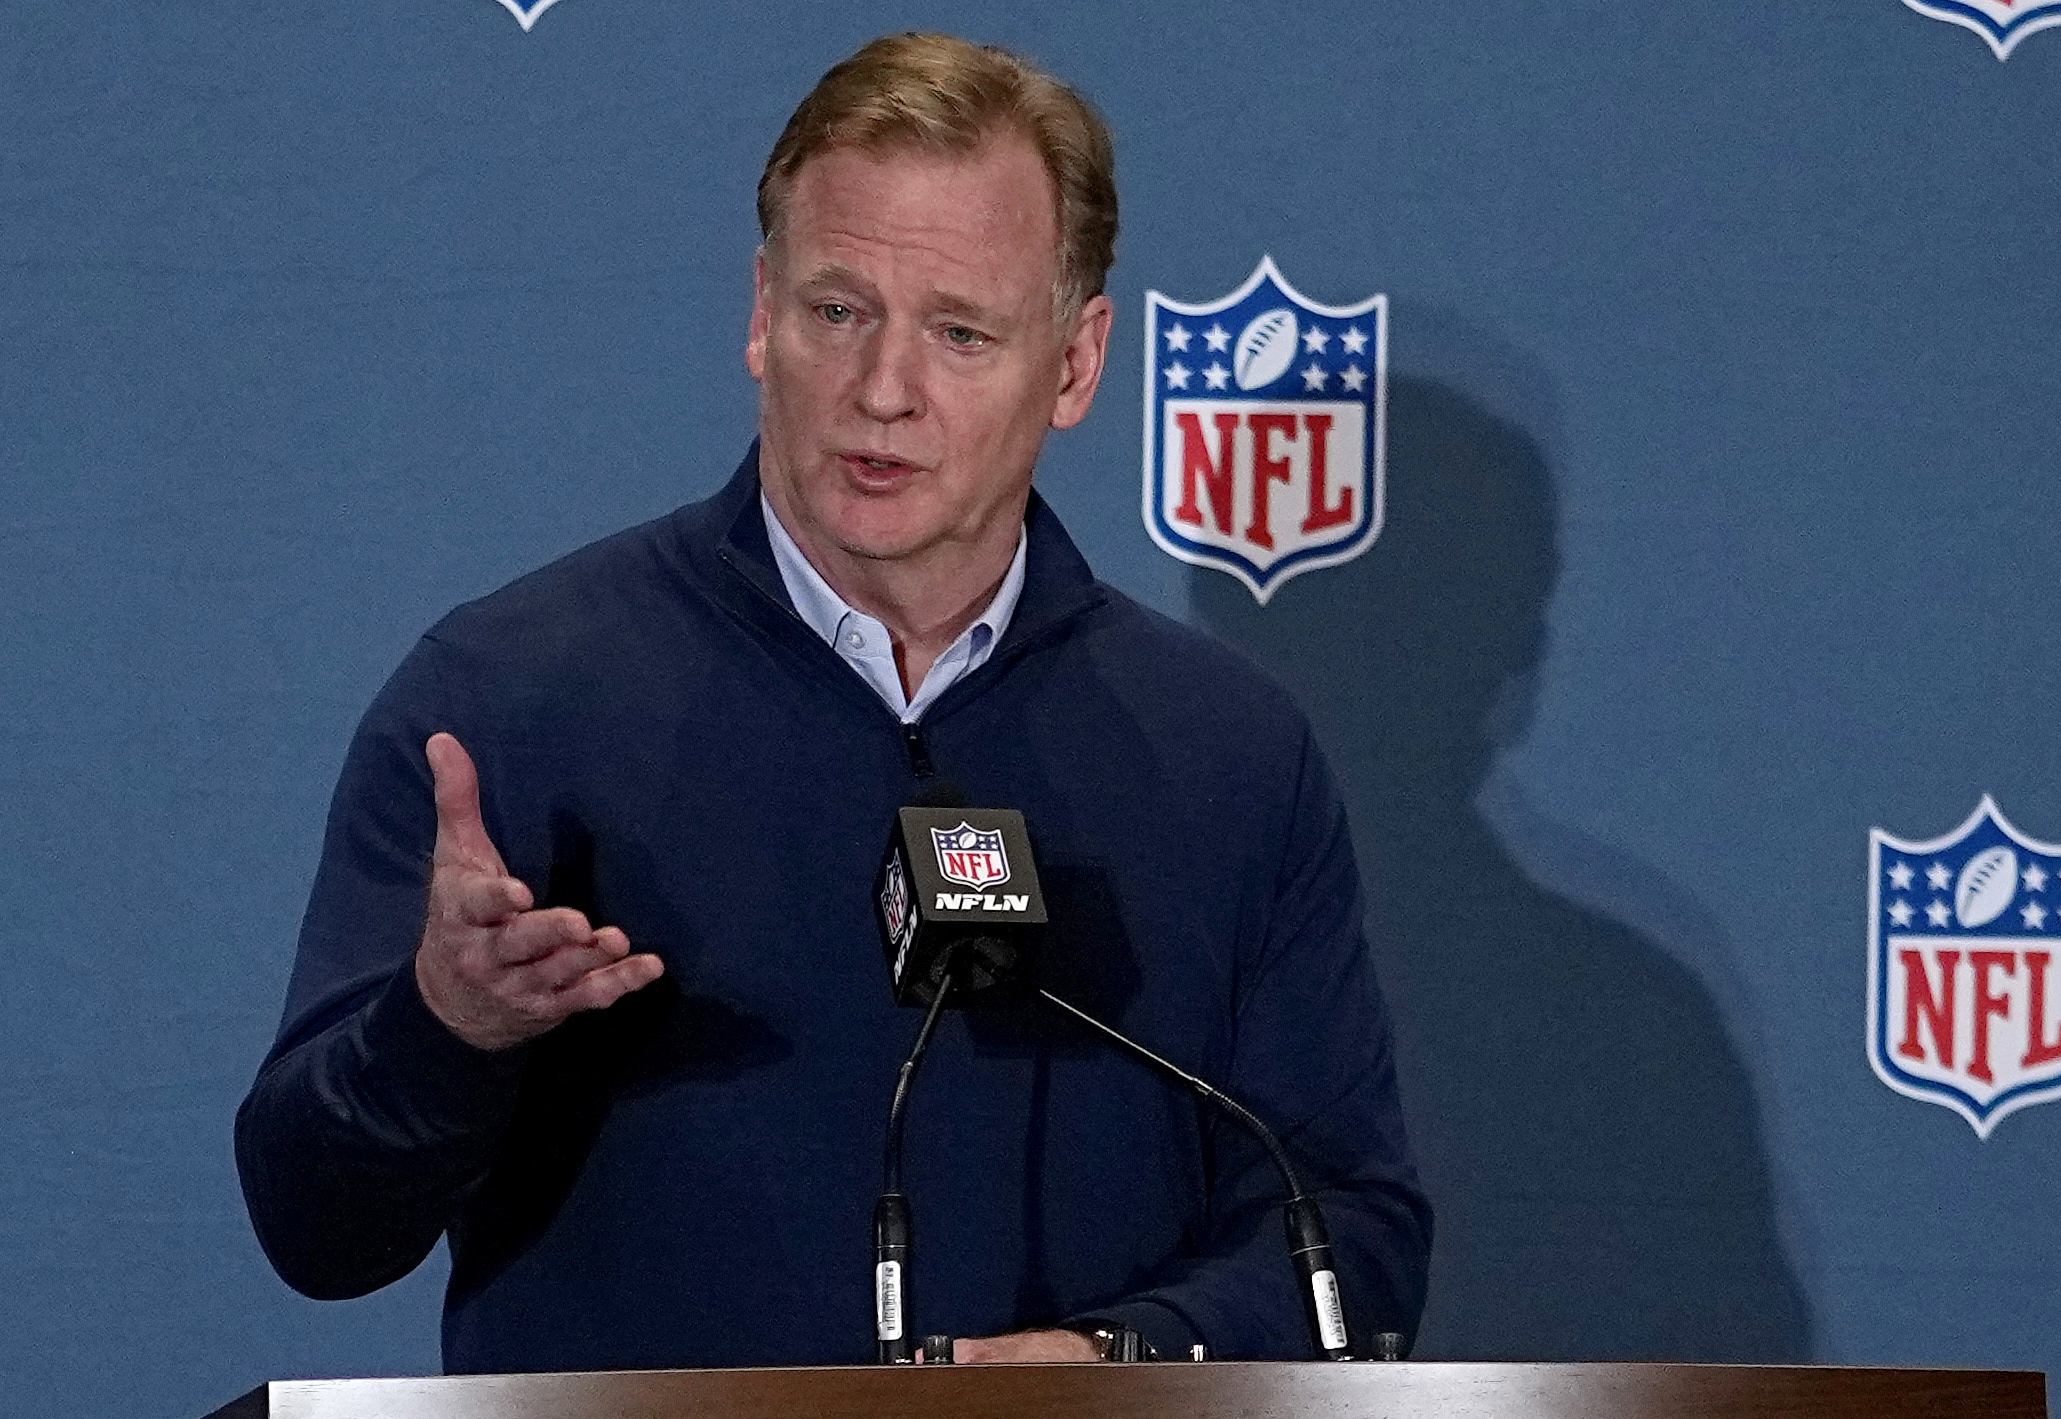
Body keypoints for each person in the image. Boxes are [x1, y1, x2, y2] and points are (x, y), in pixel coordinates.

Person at [236, 31, 1430, 1372]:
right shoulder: (512, 696)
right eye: (836, 311)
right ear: (761, 312)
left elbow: (1350, 1235)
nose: (882, 392)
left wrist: (1118, 1362)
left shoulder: (1228, 754)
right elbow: (312, 1228)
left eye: (960, 332)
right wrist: (442, 1029)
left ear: (1077, 362)